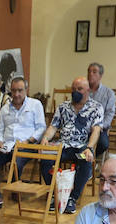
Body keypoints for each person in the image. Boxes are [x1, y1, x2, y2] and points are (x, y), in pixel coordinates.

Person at [41, 76, 105, 215]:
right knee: (45, 157)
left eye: (80, 89)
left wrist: (89, 147)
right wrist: (46, 138)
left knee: (86, 160)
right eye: (74, 89)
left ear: (88, 90)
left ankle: (72, 198)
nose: (76, 91)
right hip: (63, 145)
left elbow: (96, 130)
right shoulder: (63, 107)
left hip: (82, 146)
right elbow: (53, 126)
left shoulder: (96, 107)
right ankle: (55, 194)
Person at [0, 76, 46, 208]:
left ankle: (15, 190)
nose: (17, 94)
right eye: (14, 91)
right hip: (7, 146)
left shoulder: (35, 105)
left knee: (17, 161)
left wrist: (28, 140)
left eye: (20, 90)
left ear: (26, 89)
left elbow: (41, 128)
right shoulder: (5, 109)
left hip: (28, 145)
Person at [86, 62, 116, 157]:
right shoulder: (83, 90)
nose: (91, 74)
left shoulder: (109, 93)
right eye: (89, 71)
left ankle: (91, 159)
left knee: (103, 144)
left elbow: (109, 114)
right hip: (83, 126)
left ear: (100, 75)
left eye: (94, 72)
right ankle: (82, 160)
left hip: (100, 128)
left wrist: (99, 127)